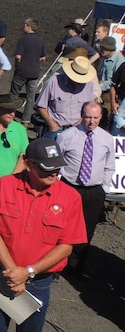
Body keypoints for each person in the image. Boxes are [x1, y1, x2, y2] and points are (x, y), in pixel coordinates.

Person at [0, 138, 87, 332]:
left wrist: (27, 272)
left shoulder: (71, 197)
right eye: (46, 168)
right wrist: (14, 272)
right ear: (28, 164)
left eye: (57, 167)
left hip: (38, 282)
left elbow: (67, 246)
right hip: (1, 275)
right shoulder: (4, 185)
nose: (54, 173)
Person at [55, 101, 114, 276]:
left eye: (95, 118)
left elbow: (109, 166)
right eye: (88, 117)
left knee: (86, 230)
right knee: (60, 226)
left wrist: (104, 187)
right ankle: (56, 265)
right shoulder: (67, 136)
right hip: (69, 186)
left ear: (101, 117)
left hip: (94, 190)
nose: (91, 121)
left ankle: (76, 266)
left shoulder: (106, 138)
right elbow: (56, 161)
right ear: (82, 115)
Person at [37, 56, 98, 139]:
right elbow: (41, 106)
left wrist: (81, 122)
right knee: (51, 152)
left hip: (78, 130)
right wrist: (52, 125)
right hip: (56, 128)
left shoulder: (89, 85)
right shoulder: (53, 82)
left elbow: (89, 108)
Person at [11, 19, 46, 127]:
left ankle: (10, 115)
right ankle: (25, 121)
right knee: (30, 98)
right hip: (34, 72)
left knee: (14, 95)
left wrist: (18, 64)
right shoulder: (40, 40)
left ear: (28, 26)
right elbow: (43, 57)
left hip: (21, 72)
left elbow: (18, 56)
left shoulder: (23, 40)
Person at [96, 36, 124, 128]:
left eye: (103, 48)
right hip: (101, 91)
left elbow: (114, 81)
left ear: (109, 49)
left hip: (111, 94)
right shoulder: (104, 58)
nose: (101, 49)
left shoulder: (119, 60)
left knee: (104, 115)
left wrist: (98, 86)